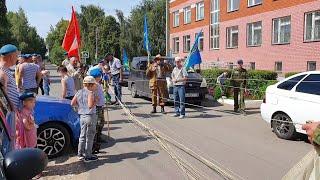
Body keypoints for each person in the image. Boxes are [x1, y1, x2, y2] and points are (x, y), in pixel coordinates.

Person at [71, 76, 99, 162]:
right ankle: (88, 155)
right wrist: (96, 101)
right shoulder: (90, 93)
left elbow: (72, 103)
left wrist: (79, 108)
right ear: (90, 85)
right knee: (90, 136)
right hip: (90, 116)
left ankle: (80, 154)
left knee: (82, 135)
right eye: (94, 84)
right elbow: (90, 105)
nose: (95, 86)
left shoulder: (79, 92)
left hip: (82, 116)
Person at [0, 44, 20, 150]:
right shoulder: (2, 73)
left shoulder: (6, 70)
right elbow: (2, 99)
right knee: (8, 140)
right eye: (16, 56)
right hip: (7, 114)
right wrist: (12, 108)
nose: (17, 58)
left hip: (9, 113)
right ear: (11, 56)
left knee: (11, 139)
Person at [89, 68, 107, 151]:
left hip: (100, 106)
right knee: (97, 124)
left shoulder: (98, 84)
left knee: (101, 122)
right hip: (97, 107)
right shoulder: (94, 85)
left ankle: (98, 137)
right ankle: (94, 142)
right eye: (100, 75)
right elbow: (94, 96)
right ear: (96, 76)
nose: (101, 77)